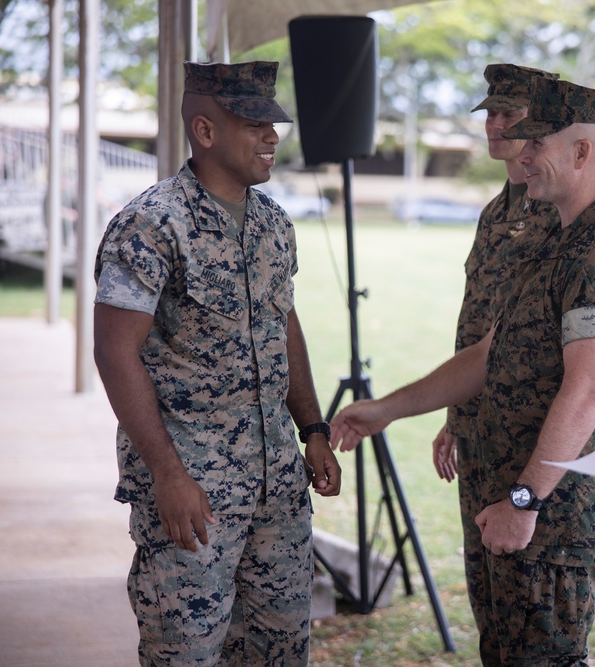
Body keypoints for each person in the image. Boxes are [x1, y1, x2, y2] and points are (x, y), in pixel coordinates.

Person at [331, 76, 595, 665]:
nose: (521, 155)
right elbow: (490, 354)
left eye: (538, 144)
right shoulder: (556, 242)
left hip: (554, 520)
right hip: (508, 501)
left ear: (581, 152)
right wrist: (386, 410)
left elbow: (588, 390)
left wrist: (526, 499)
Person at [92, 60, 342, 666]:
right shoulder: (152, 224)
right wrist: (169, 476)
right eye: (255, 123)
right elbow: (114, 350)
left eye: (272, 124)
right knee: (186, 654)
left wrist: (312, 430)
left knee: (278, 650)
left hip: (276, 488)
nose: (272, 137)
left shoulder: (274, 224)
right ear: (205, 132)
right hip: (193, 490)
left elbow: (284, 324)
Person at [430, 62, 562, 643]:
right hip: (481, 430)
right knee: (488, 604)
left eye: (510, 113)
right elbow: (477, 318)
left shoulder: (560, 212)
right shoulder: (496, 212)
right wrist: (455, 415)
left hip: (532, 441)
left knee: (533, 623)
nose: (496, 125)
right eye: (491, 113)